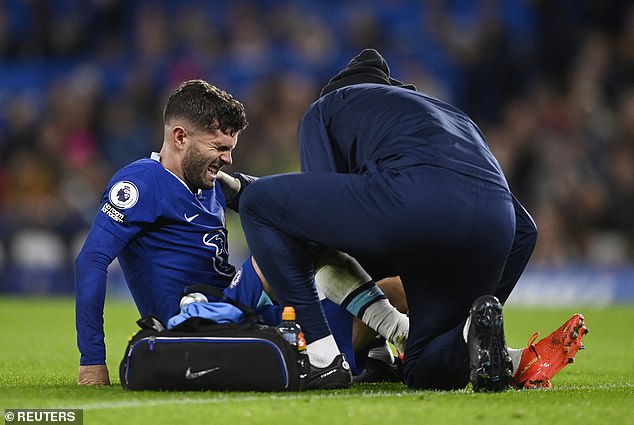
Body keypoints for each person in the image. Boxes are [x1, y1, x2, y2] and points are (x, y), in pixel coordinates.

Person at [237, 49, 588, 391]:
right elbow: (525, 230)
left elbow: (322, 231)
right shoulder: (451, 116)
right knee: (422, 368)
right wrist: (471, 305)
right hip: (496, 226)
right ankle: (470, 336)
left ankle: (321, 356)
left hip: (413, 201)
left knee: (257, 202)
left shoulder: (326, 107)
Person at [75, 79, 408, 388]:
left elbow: (266, 195)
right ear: (179, 137)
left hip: (246, 312)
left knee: (393, 289)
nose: (228, 158)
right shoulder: (141, 183)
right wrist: (92, 359)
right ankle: (381, 338)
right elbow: (92, 261)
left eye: (231, 148)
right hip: (195, 321)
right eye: (218, 147)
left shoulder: (212, 183)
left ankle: (371, 352)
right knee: (286, 237)